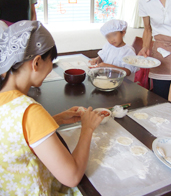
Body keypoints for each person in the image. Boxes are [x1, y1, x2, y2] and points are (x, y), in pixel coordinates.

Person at [0, 20, 104, 195]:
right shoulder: (30, 111)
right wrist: (87, 128)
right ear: (37, 62)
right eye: (51, 61)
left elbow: (13, 134)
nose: (51, 68)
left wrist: (53, 119)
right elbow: (71, 176)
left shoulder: (8, 100)